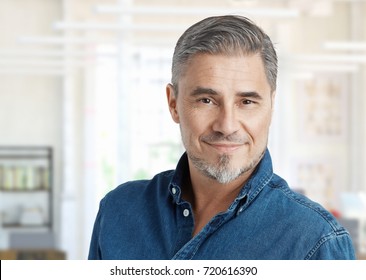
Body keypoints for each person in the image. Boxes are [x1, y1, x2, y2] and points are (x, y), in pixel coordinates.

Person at [88, 15, 356, 260]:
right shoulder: (118, 211)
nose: (227, 126)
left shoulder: (316, 241)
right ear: (173, 104)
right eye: (206, 100)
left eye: (247, 101)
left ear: (271, 106)